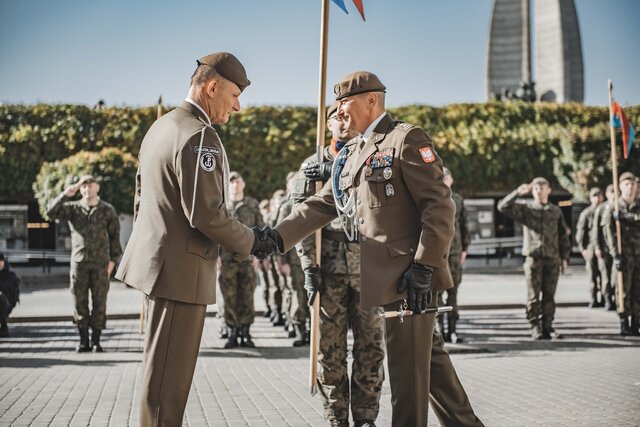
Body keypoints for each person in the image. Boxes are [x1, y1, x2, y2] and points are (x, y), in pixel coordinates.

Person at [267, 72, 483, 426]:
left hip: (409, 281)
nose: (339, 110)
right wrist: (275, 237)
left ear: (372, 100)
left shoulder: (405, 139)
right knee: (434, 376)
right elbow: (324, 203)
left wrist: (424, 266)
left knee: (407, 388)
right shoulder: (356, 150)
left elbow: (440, 207)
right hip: (390, 283)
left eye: (345, 102)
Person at [114, 52, 276, 426]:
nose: (237, 106)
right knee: (167, 393)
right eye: (234, 95)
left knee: (161, 383)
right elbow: (207, 214)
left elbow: (142, 198)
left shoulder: (162, 126)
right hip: (181, 274)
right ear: (212, 86)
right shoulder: (200, 135)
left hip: (161, 268)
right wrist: (252, 240)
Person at [291, 101, 385, 425]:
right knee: (329, 352)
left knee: (371, 349)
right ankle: (336, 418)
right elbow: (300, 220)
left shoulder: (375, 158)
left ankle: (366, 417)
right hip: (328, 272)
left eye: (348, 116)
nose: (343, 122)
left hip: (369, 271)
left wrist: (338, 173)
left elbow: (384, 201)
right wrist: (308, 266)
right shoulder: (311, 166)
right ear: (328, 124)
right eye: (337, 117)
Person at [46, 174, 122, 352]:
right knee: (79, 303)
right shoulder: (73, 209)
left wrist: (113, 262)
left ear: (97, 187)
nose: (87, 189)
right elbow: (50, 212)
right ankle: (83, 341)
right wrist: (66, 194)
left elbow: (115, 238)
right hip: (79, 264)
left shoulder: (107, 210)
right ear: (80, 189)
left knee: (99, 302)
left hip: (101, 264)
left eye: (90, 185)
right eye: (83, 186)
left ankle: (96, 341)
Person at [497, 177, 571, 340]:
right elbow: (502, 207)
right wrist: (518, 192)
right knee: (533, 296)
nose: (539, 190)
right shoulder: (527, 209)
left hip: (552, 258)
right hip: (534, 258)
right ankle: (535, 326)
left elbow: (563, 235)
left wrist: (565, 257)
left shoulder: (556, 211)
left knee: (550, 295)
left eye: (542, 187)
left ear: (549, 190)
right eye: (536, 188)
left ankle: (548, 327)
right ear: (533, 191)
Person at [218, 171, 264, 348]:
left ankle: (245, 331)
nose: (235, 185)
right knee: (228, 296)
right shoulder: (222, 205)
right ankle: (232, 331)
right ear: (227, 185)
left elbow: (261, 230)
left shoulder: (252, 204)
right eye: (231, 182)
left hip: (247, 257)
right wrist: (216, 257)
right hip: (227, 258)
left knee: (247, 295)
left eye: (238, 181)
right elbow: (214, 232)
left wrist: (259, 256)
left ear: (243, 184)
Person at [603, 172, 640, 336]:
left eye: (632, 184)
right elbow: (608, 232)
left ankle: (636, 322)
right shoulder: (613, 207)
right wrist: (614, 254)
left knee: (638, 290)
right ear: (620, 187)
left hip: (639, 254)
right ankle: (624, 321)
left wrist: (626, 217)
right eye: (626, 185)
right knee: (623, 290)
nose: (630, 188)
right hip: (624, 255)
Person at [440, 167, 470, 343]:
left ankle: (452, 330)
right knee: (436, 294)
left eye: (446, 175)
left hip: (455, 252)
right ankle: (438, 331)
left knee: (453, 292)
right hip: (437, 252)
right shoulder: (430, 197)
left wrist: (465, 248)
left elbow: (465, 225)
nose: (443, 178)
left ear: (452, 179)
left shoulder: (457, 199)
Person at [575, 187, 604, 307]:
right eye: (594, 196)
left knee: (604, 274)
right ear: (591, 198)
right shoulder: (586, 213)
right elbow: (580, 232)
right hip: (591, 246)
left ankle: (604, 297)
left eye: (599, 196)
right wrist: (583, 249)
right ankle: (593, 297)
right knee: (593, 274)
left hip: (603, 246)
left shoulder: (605, 210)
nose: (597, 199)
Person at [592, 184, 617, 310]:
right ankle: (608, 298)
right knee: (605, 276)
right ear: (607, 194)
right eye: (611, 192)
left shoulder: (620, 207)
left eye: (615, 192)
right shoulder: (602, 209)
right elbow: (596, 230)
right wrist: (597, 247)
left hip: (618, 249)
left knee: (616, 276)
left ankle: (617, 298)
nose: (613, 194)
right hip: (605, 248)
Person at [0, 253, 20, 337]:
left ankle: (3, 327)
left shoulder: (10, 275)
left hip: (6, 304)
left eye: (1, 262)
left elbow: (14, 295)